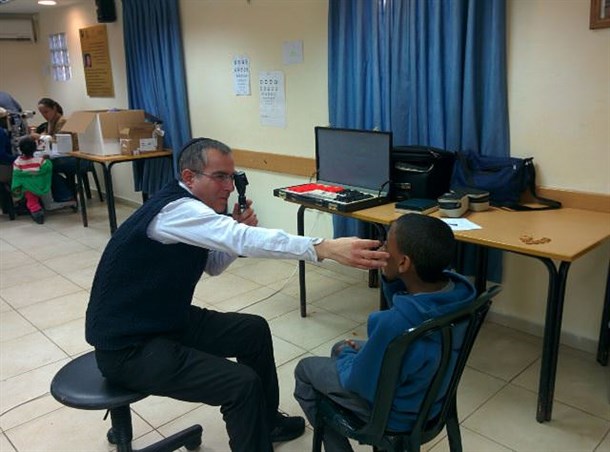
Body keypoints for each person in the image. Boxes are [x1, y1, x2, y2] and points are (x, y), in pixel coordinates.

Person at [85, 137, 389, 452]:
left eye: (232, 177)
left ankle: (268, 422)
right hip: (128, 347)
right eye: (220, 177)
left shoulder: (194, 212)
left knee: (252, 330)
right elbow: (241, 238)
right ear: (189, 177)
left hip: (161, 319)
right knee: (241, 385)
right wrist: (322, 247)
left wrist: (229, 228)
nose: (229, 186)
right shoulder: (176, 210)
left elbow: (213, 266)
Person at [293, 213, 477, 451]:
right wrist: (391, 277)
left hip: (396, 413)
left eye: (386, 245)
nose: (381, 247)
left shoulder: (394, 324)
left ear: (403, 263)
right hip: (432, 399)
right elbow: (408, 307)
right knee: (340, 347)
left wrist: (351, 357)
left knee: (306, 369)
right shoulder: (459, 294)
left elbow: (359, 382)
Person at [11, 136, 76, 224]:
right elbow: (48, 168)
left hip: (27, 187)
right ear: (35, 148)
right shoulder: (40, 161)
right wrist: (47, 159)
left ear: (20, 149)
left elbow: (17, 175)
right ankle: (68, 195)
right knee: (56, 176)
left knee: (31, 200)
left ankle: (37, 214)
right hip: (41, 184)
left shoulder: (17, 162)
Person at [29, 97, 75, 202]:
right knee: (40, 165)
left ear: (54, 108)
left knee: (44, 167)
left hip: (72, 156)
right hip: (61, 155)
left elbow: (57, 141)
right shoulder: (51, 122)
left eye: (46, 112)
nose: (44, 115)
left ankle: (65, 194)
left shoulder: (63, 121)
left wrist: (39, 137)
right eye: (42, 113)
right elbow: (48, 137)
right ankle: (66, 189)